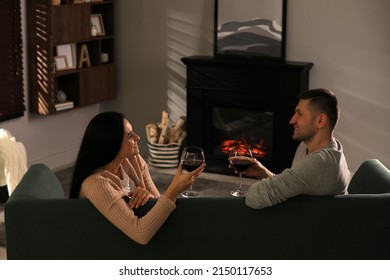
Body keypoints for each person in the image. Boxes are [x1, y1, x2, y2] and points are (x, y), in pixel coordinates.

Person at [70, 111, 205, 244]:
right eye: (130, 136)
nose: (137, 138)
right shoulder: (96, 183)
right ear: (112, 144)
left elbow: (158, 203)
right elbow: (141, 234)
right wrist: (174, 190)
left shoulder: (134, 160)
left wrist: (148, 198)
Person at [229, 88, 350, 209]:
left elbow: (254, 198)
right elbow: (297, 184)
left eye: (299, 113)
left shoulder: (320, 162)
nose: (292, 120)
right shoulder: (325, 147)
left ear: (320, 120)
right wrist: (262, 172)